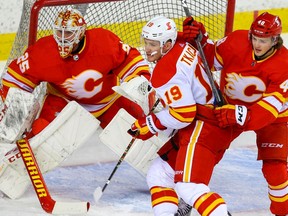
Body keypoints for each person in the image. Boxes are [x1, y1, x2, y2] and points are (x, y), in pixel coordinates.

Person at [0, 8, 150, 198]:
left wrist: (140, 80)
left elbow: (129, 59)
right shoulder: (43, 51)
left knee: (145, 134)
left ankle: (169, 177)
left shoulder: (103, 42)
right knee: (39, 137)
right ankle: (9, 179)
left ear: (80, 32)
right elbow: (14, 79)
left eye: (69, 33)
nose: (63, 38)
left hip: (108, 100)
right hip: (63, 102)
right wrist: (18, 110)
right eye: (59, 32)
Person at [128, 15, 236, 216]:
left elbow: (184, 115)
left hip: (205, 127)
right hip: (212, 118)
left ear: (167, 44)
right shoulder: (182, 44)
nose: (148, 49)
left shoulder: (164, 72)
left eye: (154, 44)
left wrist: (149, 124)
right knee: (159, 174)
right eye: (147, 43)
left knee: (188, 186)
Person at [183, 12, 288, 216]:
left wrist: (239, 115)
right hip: (228, 107)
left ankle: (282, 212)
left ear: (275, 40)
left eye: (263, 41)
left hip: (273, 119)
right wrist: (199, 39)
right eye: (254, 38)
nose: (257, 45)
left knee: (275, 170)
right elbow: (209, 60)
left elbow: (266, 113)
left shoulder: (284, 64)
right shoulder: (236, 41)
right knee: (203, 152)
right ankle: (189, 195)